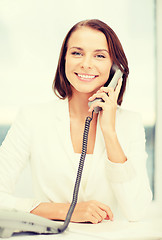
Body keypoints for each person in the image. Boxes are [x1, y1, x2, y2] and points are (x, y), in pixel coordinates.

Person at [0, 19, 152, 224]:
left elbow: (137, 211)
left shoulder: (130, 123)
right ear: (64, 60)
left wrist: (109, 132)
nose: (86, 64)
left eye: (99, 55)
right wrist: (65, 211)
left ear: (116, 69)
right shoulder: (32, 117)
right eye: (77, 53)